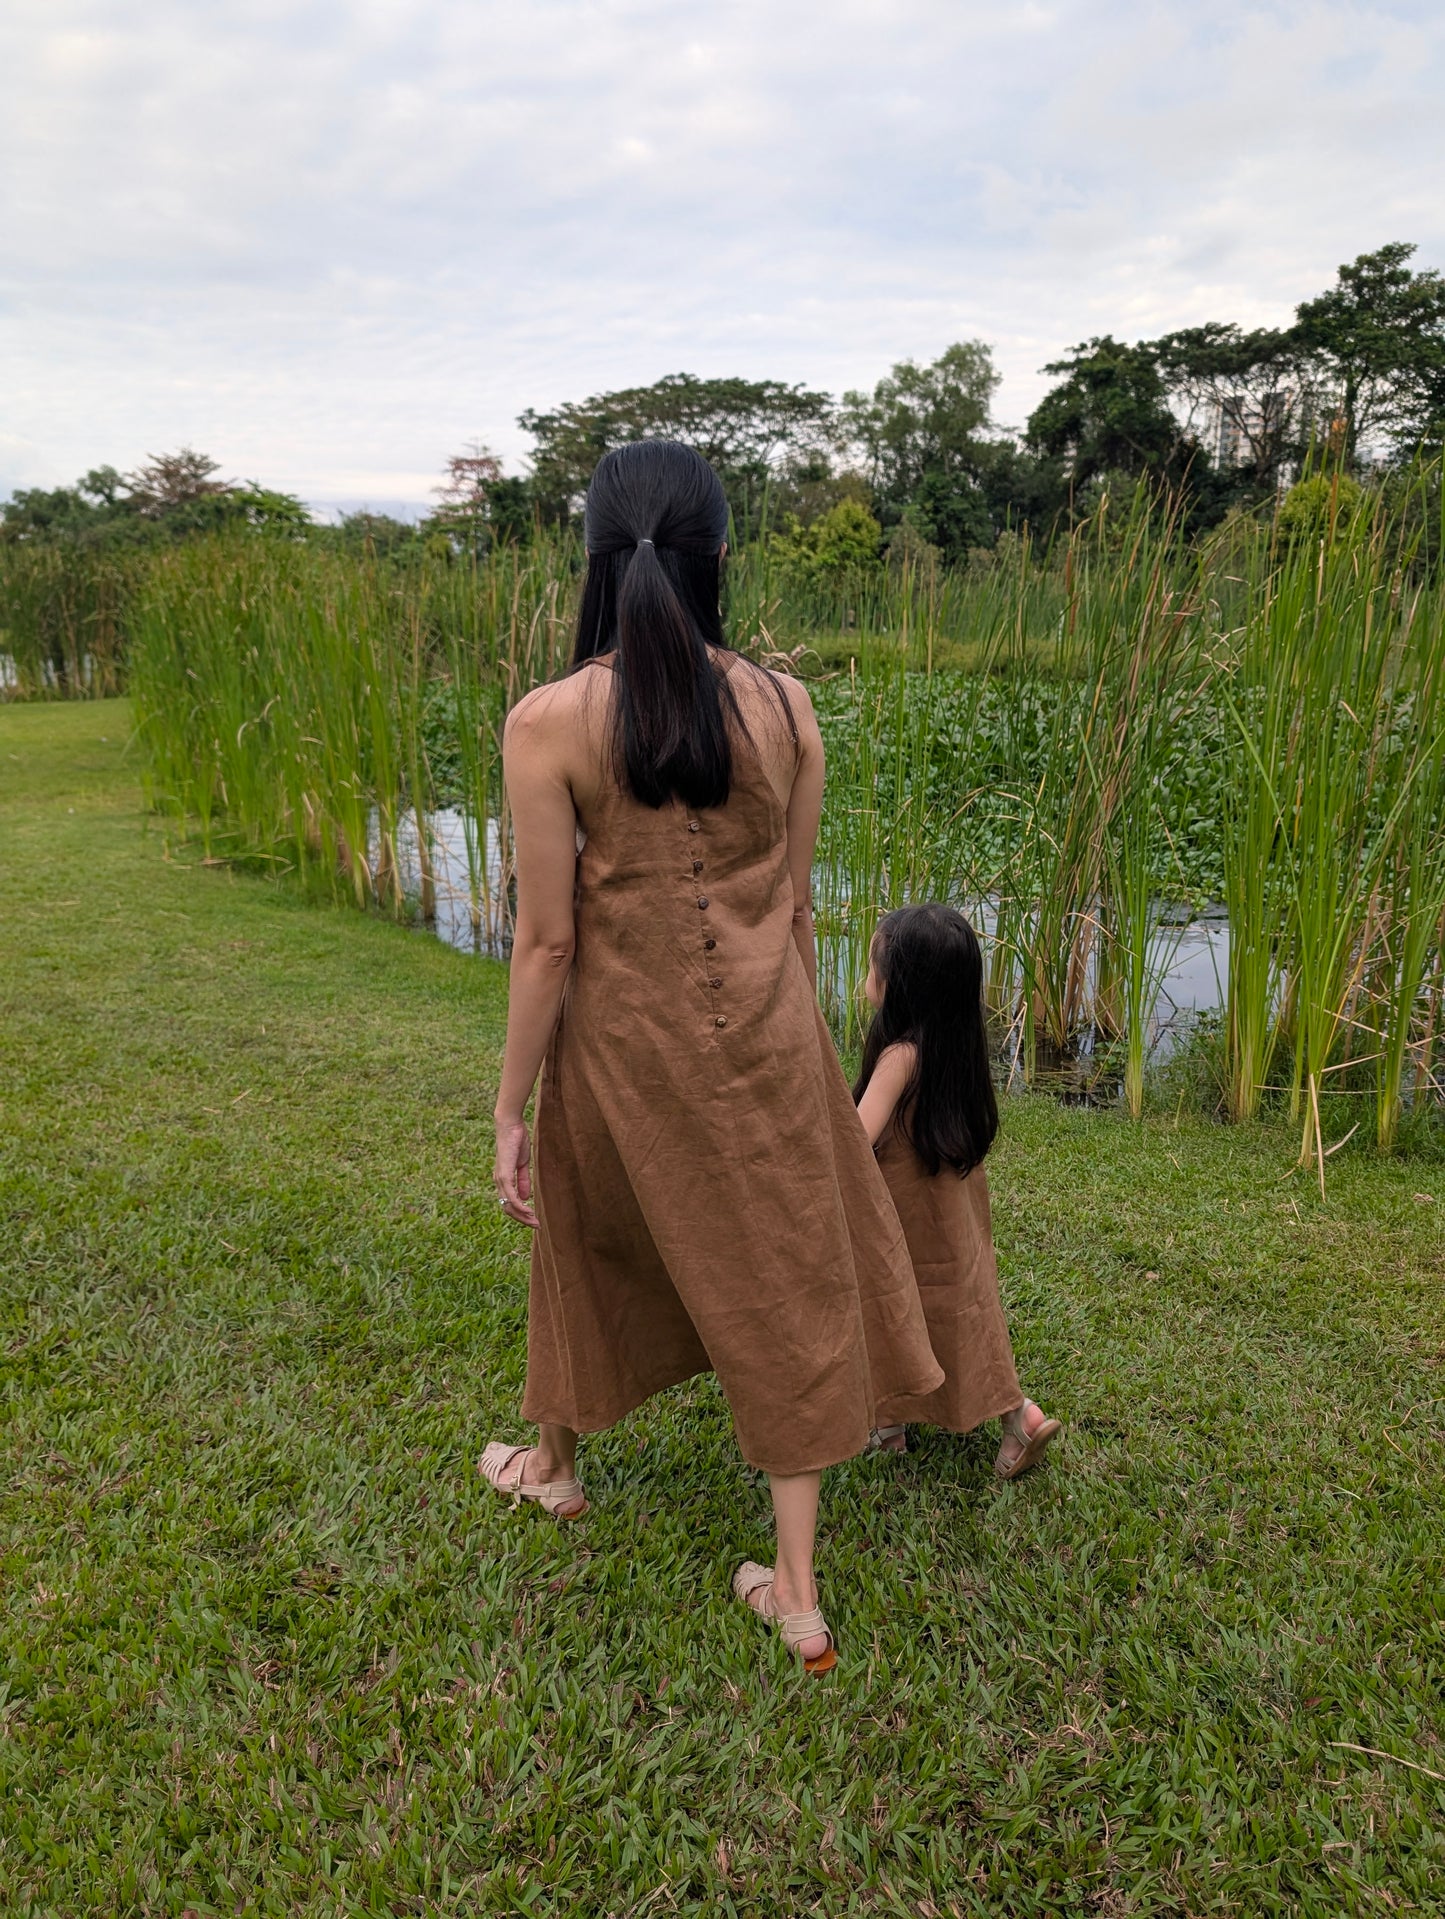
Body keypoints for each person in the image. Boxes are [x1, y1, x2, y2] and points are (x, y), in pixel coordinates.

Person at [483, 441, 942, 1673]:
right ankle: (793, 1588)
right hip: (772, 1043)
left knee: (579, 1233)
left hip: (622, 1053)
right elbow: (792, 906)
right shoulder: (787, 709)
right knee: (782, 1271)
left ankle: (555, 1467)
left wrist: (508, 1104)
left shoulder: (547, 721)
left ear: (590, 561)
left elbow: (544, 942)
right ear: (719, 557)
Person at [853, 903, 1061, 1476]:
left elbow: (857, 1139)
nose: (865, 978)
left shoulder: (900, 1056)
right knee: (968, 1310)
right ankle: (1020, 1414)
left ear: (901, 986)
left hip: (904, 1223)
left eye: (874, 965)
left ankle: (889, 1423)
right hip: (958, 1221)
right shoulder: (960, 1053)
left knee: (894, 1307)